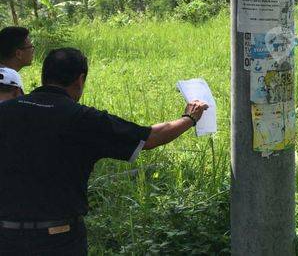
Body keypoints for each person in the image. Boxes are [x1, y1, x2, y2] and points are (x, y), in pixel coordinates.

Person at [0, 48, 208, 255]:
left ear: (44, 76)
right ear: (80, 80)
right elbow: (150, 137)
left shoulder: (6, 111)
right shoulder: (84, 119)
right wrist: (189, 118)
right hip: (59, 239)